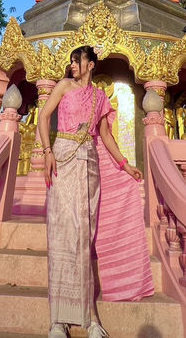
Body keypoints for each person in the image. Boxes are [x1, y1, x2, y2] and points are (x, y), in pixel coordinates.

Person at [38, 45, 154, 338]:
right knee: (63, 233)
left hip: (89, 162)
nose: (72, 65)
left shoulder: (100, 97)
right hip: (62, 157)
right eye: (72, 61)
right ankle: (58, 320)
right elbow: (42, 118)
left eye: (77, 61)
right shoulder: (64, 86)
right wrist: (47, 151)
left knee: (84, 235)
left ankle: (90, 318)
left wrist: (125, 165)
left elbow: (105, 135)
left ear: (91, 64)